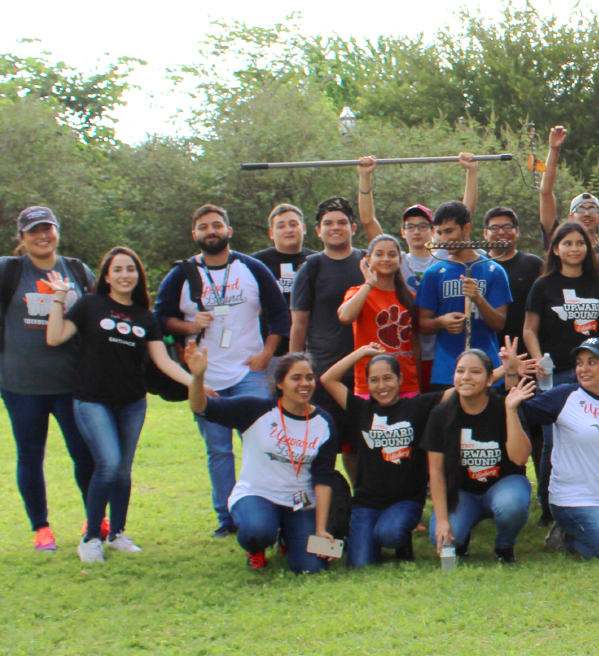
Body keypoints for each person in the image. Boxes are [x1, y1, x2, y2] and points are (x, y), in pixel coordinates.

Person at [0, 193, 98, 552]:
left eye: (48, 229)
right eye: (34, 231)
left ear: (57, 231)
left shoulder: (77, 270)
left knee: (84, 454)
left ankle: (95, 519)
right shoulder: (8, 270)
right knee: (30, 455)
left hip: (72, 384)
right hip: (21, 385)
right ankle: (41, 529)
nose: (42, 236)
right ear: (22, 237)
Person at [42, 247, 190, 561]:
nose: (125, 275)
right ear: (106, 276)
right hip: (92, 401)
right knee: (108, 465)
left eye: (131, 269)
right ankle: (91, 538)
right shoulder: (90, 305)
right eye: (118, 269)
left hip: (132, 403)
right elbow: (55, 337)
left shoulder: (145, 317)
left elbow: (162, 361)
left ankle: (117, 534)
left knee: (122, 471)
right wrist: (58, 298)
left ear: (139, 276)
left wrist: (198, 383)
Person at [156, 203, 289, 539]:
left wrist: (267, 353)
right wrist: (187, 325)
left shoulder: (252, 268)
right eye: (203, 227)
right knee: (218, 450)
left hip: (250, 374)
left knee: (262, 442)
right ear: (194, 235)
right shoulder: (181, 274)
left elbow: (279, 315)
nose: (210, 231)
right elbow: (159, 319)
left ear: (229, 231)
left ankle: (269, 505)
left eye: (217, 225)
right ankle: (228, 518)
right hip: (204, 377)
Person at [186, 345, 339, 573]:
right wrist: (198, 376)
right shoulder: (255, 409)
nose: (305, 384)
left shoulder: (324, 422)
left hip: (300, 502)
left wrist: (320, 529)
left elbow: (324, 478)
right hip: (257, 494)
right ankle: (256, 549)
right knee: (258, 531)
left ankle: (288, 537)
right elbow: (201, 407)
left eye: (309, 377)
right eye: (295, 378)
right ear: (280, 383)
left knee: (313, 567)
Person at [518, 337, 599, 558]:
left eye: (592, 362)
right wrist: (511, 374)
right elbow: (520, 410)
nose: (583, 369)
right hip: (573, 499)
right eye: (579, 363)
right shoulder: (564, 396)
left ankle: (598, 527)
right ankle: (564, 537)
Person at [317, 344, 446, 567]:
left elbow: (463, 389)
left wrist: (504, 371)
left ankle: (398, 539)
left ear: (399, 379)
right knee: (360, 565)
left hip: (405, 499)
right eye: (374, 380)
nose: (382, 386)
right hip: (367, 501)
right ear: (367, 384)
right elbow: (328, 379)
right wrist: (361, 353)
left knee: (389, 534)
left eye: (388, 378)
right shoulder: (361, 409)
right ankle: (364, 538)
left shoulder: (417, 406)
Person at [363, 152, 480, 388]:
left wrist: (472, 172)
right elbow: (368, 221)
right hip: (407, 352)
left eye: (423, 225)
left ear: (433, 230)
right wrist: (364, 178)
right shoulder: (394, 261)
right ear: (403, 231)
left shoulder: (444, 257)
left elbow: (465, 214)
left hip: (443, 353)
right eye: (410, 226)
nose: (416, 231)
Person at [524, 221, 599, 518]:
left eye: (580, 243)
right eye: (567, 243)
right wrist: (539, 363)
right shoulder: (543, 285)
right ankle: (549, 505)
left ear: (588, 248)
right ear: (555, 249)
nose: (574, 249)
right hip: (554, 374)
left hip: (590, 376)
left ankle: (590, 496)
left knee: (591, 437)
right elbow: (529, 331)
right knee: (553, 442)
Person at [291, 195, 384, 478]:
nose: (336, 227)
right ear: (317, 230)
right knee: (327, 444)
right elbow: (299, 324)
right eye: (328, 223)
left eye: (342, 222)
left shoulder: (368, 263)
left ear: (353, 228)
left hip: (369, 370)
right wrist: (295, 371)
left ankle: (365, 501)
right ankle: (325, 507)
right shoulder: (311, 267)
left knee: (366, 443)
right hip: (325, 371)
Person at [421, 343, 536, 564]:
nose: (466, 377)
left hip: (502, 485)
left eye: (475, 372)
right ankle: (461, 541)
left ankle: (504, 546)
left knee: (511, 506)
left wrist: (511, 411)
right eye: (461, 371)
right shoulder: (441, 414)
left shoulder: (505, 405)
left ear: (489, 379)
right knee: (444, 534)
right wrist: (443, 520)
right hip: (462, 491)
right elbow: (435, 472)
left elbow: (520, 458)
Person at [416, 202, 513, 385]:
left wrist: (478, 299)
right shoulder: (433, 274)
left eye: (449, 231)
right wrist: (441, 322)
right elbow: (422, 324)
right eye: (439, 232)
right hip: (446, 372)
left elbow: (499, 323)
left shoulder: (494, 271)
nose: (443, 239)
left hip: (487, 369)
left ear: (466, 227)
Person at [338, 235, 421, 399]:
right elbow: (345, 317)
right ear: (368, 259)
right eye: (379, 254)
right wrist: (369, 282)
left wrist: (418, 379)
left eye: (392, 255)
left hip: (407, 384)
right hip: (370, 385)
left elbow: (415, 344)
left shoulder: (409, 297)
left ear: (400, 259)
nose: (386, 259)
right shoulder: (358, 293)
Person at [485, 207, 546, 356]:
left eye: (507, 227)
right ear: (485, 233)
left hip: (528, 349)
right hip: (488, 348)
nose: (501, 232)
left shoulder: (534, 264)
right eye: (494, 228)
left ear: (517, 231)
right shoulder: (478, 266)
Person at [250, 204, 316, 329]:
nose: (288, 230)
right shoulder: (256, 263)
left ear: (304, 228)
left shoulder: (316, 261)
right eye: (281, 226)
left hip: (311, 337)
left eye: (293, 224)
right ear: (271, 233)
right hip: (269, 337)